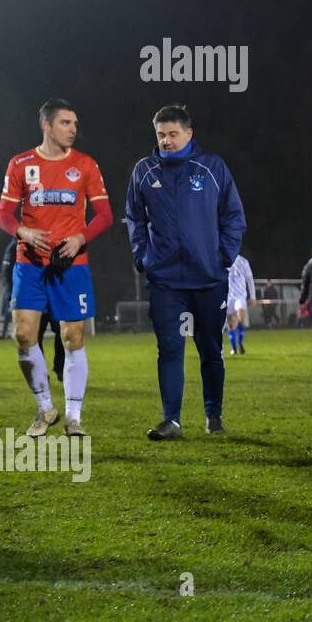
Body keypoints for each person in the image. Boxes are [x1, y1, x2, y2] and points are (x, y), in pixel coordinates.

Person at [125, 104, 246, 439]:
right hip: (165, 281)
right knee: (170, 348)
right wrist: (142, 257)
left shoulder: (211, 167)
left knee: (210, 349)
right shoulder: (144, 172)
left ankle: (214, 415)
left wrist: (221, 256)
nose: (166, 140)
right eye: (161, 134)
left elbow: (234, 217)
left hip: (208, 278)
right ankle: (172, 421)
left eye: (173, 134)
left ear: (189, 134)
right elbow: (134, 218)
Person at [0, 98, 113, 438]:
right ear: (46, 126)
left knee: (72, 336)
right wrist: (22, 231)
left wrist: (80, 237)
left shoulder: (86, 166)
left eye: (75, 123)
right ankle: (46, 408)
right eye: (65, 123)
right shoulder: (20, 164)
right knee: (23, 335)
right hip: (29, 264)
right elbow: (3, 214)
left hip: (71, 265)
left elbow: (105, 215)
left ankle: (74, 417)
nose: (73, 129)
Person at [226, 253, 256, 355]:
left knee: (240, 318)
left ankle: (240, 343)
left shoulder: (243, 261)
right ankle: (234, 348)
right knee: (230, 323)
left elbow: (250, 279)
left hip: (240, 296)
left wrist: (252, 297)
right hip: (229, 296)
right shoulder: (224, 259)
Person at [0, 239, 15, 338]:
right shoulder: (11, 249)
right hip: (13, 287)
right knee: (9, 311)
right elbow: (6, 273)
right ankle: (4, 333)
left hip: (16, 285)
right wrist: (9, 292)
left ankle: (5, 333)